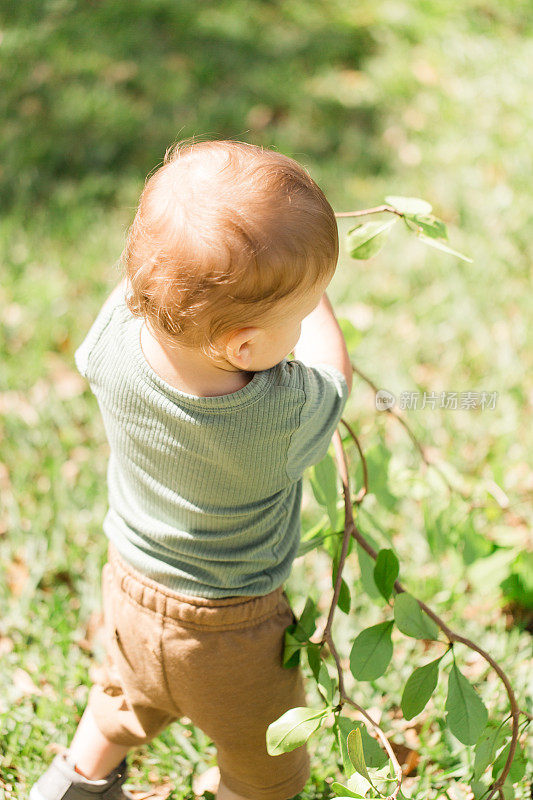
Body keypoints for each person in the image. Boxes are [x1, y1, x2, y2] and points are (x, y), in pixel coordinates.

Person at [30, 139, 352, 800]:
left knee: (122, 700)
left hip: (128, 591)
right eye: (293, 317)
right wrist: (319, 305)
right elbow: (334, 379)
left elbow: (153, 286)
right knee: (265, 760)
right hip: (232, 635)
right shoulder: (279, 414)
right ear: (244, 346)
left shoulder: (117, 333)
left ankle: (73, 784)